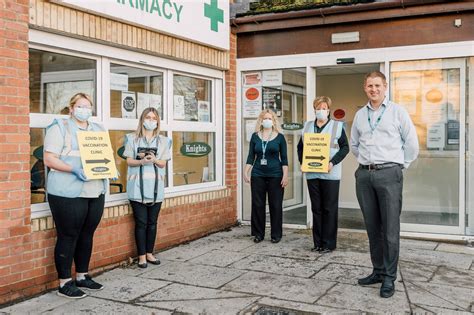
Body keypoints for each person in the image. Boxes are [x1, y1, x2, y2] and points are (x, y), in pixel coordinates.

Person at [350, 71, 419, 298]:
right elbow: (354, 145)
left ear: (385, 86)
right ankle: (378, 271)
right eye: (370, 85)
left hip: (390, 173)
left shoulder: (397, 112)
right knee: (372, 228)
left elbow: (411, 143)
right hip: (365, 176)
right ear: (364, 87)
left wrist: (400, 166)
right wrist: (366, 164)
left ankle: (389, 278)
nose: (374, 89)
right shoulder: (361, 115)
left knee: (389, 229)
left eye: (377, 85)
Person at [43, 93, 107, 299]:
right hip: (67, 191)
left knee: (87, 234)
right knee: (68, 235)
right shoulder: (59, 127)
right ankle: (64, 283)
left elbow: (104, 155)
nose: (84, 110)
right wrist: (73, 169)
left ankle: (82, 276)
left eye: (88, 106)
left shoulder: (98, 129)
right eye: (80, 106)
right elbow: (49, 159)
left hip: (94, 189)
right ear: (71, 108)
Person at [297, 96, 349, 254]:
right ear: (314, 109)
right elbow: (300, 148)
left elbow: (345, 148)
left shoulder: (337, 126)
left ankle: (328, 244)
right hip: (312, 174)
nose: (321, 110)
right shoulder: (306, 126)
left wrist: (332, 162)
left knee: (329, 209)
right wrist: (302, 162)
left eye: (324, 108)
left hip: (330, 174)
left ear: (328, 110)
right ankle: (318, 243)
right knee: (316, 209)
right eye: (318, 108)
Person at [124, 107, 171, 268]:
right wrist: (141, 161)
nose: (150, 120)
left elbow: (163, 163)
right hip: (137, 189)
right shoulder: (132, 139)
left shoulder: (164, 141)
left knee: (152, 222)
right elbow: (129, 161)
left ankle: (150, 253)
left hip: (156, 189)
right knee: (141, 223)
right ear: (142, 119)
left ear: (157, 121)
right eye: (148, 117)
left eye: (153, 118)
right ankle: (141, 256)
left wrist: (154, 159)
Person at [244, 109, 288, 243]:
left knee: (275, 205)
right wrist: (246, 172)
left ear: (274, 121)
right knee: (258, 204)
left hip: (276, 175)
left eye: (269, 118)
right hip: (258, 174)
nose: (267, 120)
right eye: (265, 118)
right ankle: (258, 234)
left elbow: (284, 159)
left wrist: (285, 176)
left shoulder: (280, 137)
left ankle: (276, 235)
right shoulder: (255, 136)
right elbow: (251, 156)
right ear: (261, 121)